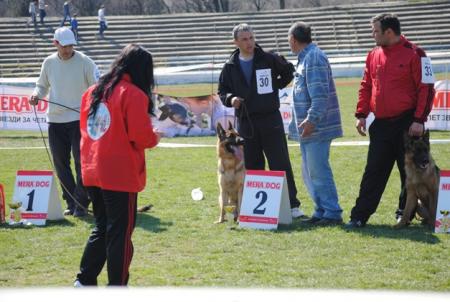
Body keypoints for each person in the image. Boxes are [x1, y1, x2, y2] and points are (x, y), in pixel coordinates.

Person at [74, 44, 160, 286]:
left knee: (102, 228)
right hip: (118, 173)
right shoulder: (132, 94)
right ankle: (117, 287)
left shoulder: (92, 91)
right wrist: (155, 136)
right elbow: (141, 136)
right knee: (119, 235)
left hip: (92, 169)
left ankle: (84, 280)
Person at [346, 13, 435, 228]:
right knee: (373, 171)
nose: (372, 34)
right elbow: (366, 85)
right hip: (381, 125)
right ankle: (359, 216)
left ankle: (405, 213)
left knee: (410, 172)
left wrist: (419, 120)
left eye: (375, 31)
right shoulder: (373, 54)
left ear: (389, 32)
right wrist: (361, 114)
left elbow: (427, 88)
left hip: (408, 124)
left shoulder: (416, 53)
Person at [218, 23, 305, 219]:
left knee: (280, 161)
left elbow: (288, 72)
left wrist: (274, 85)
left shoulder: (268, 58)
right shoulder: (229, 65)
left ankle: (292, 205)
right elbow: (222, 91)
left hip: (270, 120)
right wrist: (231, 99)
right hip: (246, 122)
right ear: (235, 42)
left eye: (251, 38)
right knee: (252, 164)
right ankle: (254, 207)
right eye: (244, 39)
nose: (249, 42)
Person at [29, 27, 99, 217]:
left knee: (80, 162)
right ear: (55, 44)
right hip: (55, 120)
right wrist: (36, 95)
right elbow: (41, 86)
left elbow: (96, 87)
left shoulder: (85, 62)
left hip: (79, 119)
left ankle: (82, 203)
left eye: (70, 46)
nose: (68, 50)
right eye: (64, 46)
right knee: (60, 163)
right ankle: (71, 202)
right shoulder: (49, 62)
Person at [288, 22, 343, 225]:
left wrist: (311, 119)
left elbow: (320, 95)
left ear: (293, 39)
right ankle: (321, 210)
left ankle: (331, 212)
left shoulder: (314, 58)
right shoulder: (306, 58)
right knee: (311, 172)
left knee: (318, 170)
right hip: (309, 129)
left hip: (316, 128)